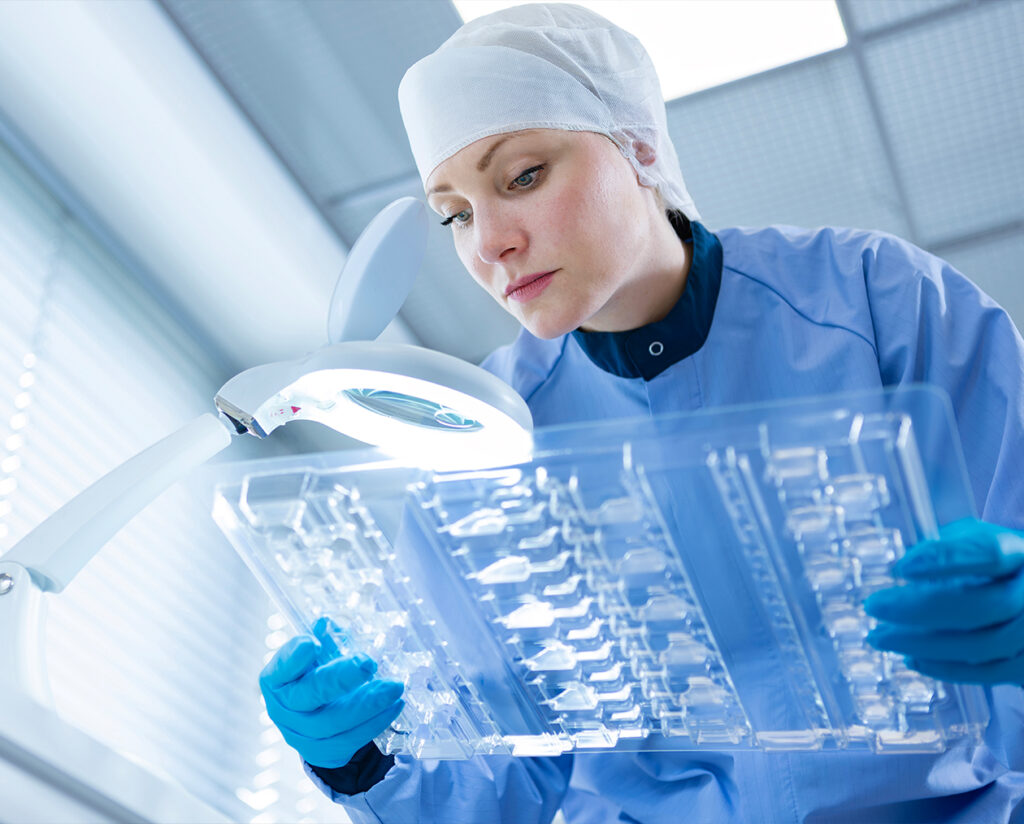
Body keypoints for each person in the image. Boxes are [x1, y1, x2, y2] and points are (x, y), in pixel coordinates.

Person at [259, 5, 1024, 822]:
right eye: (455, 213)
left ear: (640, 147)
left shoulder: (877, 303)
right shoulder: (483, 441)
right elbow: (491, 781)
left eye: (521, 176)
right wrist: (361, 757)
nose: (488, 242)